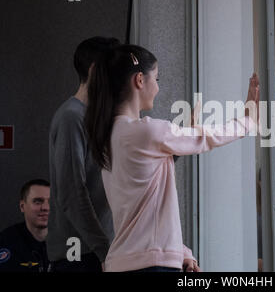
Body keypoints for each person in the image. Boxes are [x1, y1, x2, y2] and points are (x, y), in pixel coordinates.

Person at [84, 44, 259, 272]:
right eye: (156, 78)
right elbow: (207, 138)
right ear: (139, 80)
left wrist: (180, 252)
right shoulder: (147, 132)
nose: (157, 87)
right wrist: (249, 120)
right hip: (152, 266)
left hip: (122, 263)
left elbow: (144, 214)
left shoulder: (109, 138)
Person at [47, 37, 120, 272]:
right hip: (81, 257)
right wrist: (103, 249)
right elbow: (71, 192)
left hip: (99, 253)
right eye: (114, 69)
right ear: (95, 70)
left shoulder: (97, 116)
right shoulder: (72, 116)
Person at [0, 179, 50, 272]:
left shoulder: (70, 242)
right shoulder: (5, 241)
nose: (46, 208)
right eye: (38, 202)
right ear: (22, 206)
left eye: (50, 202)